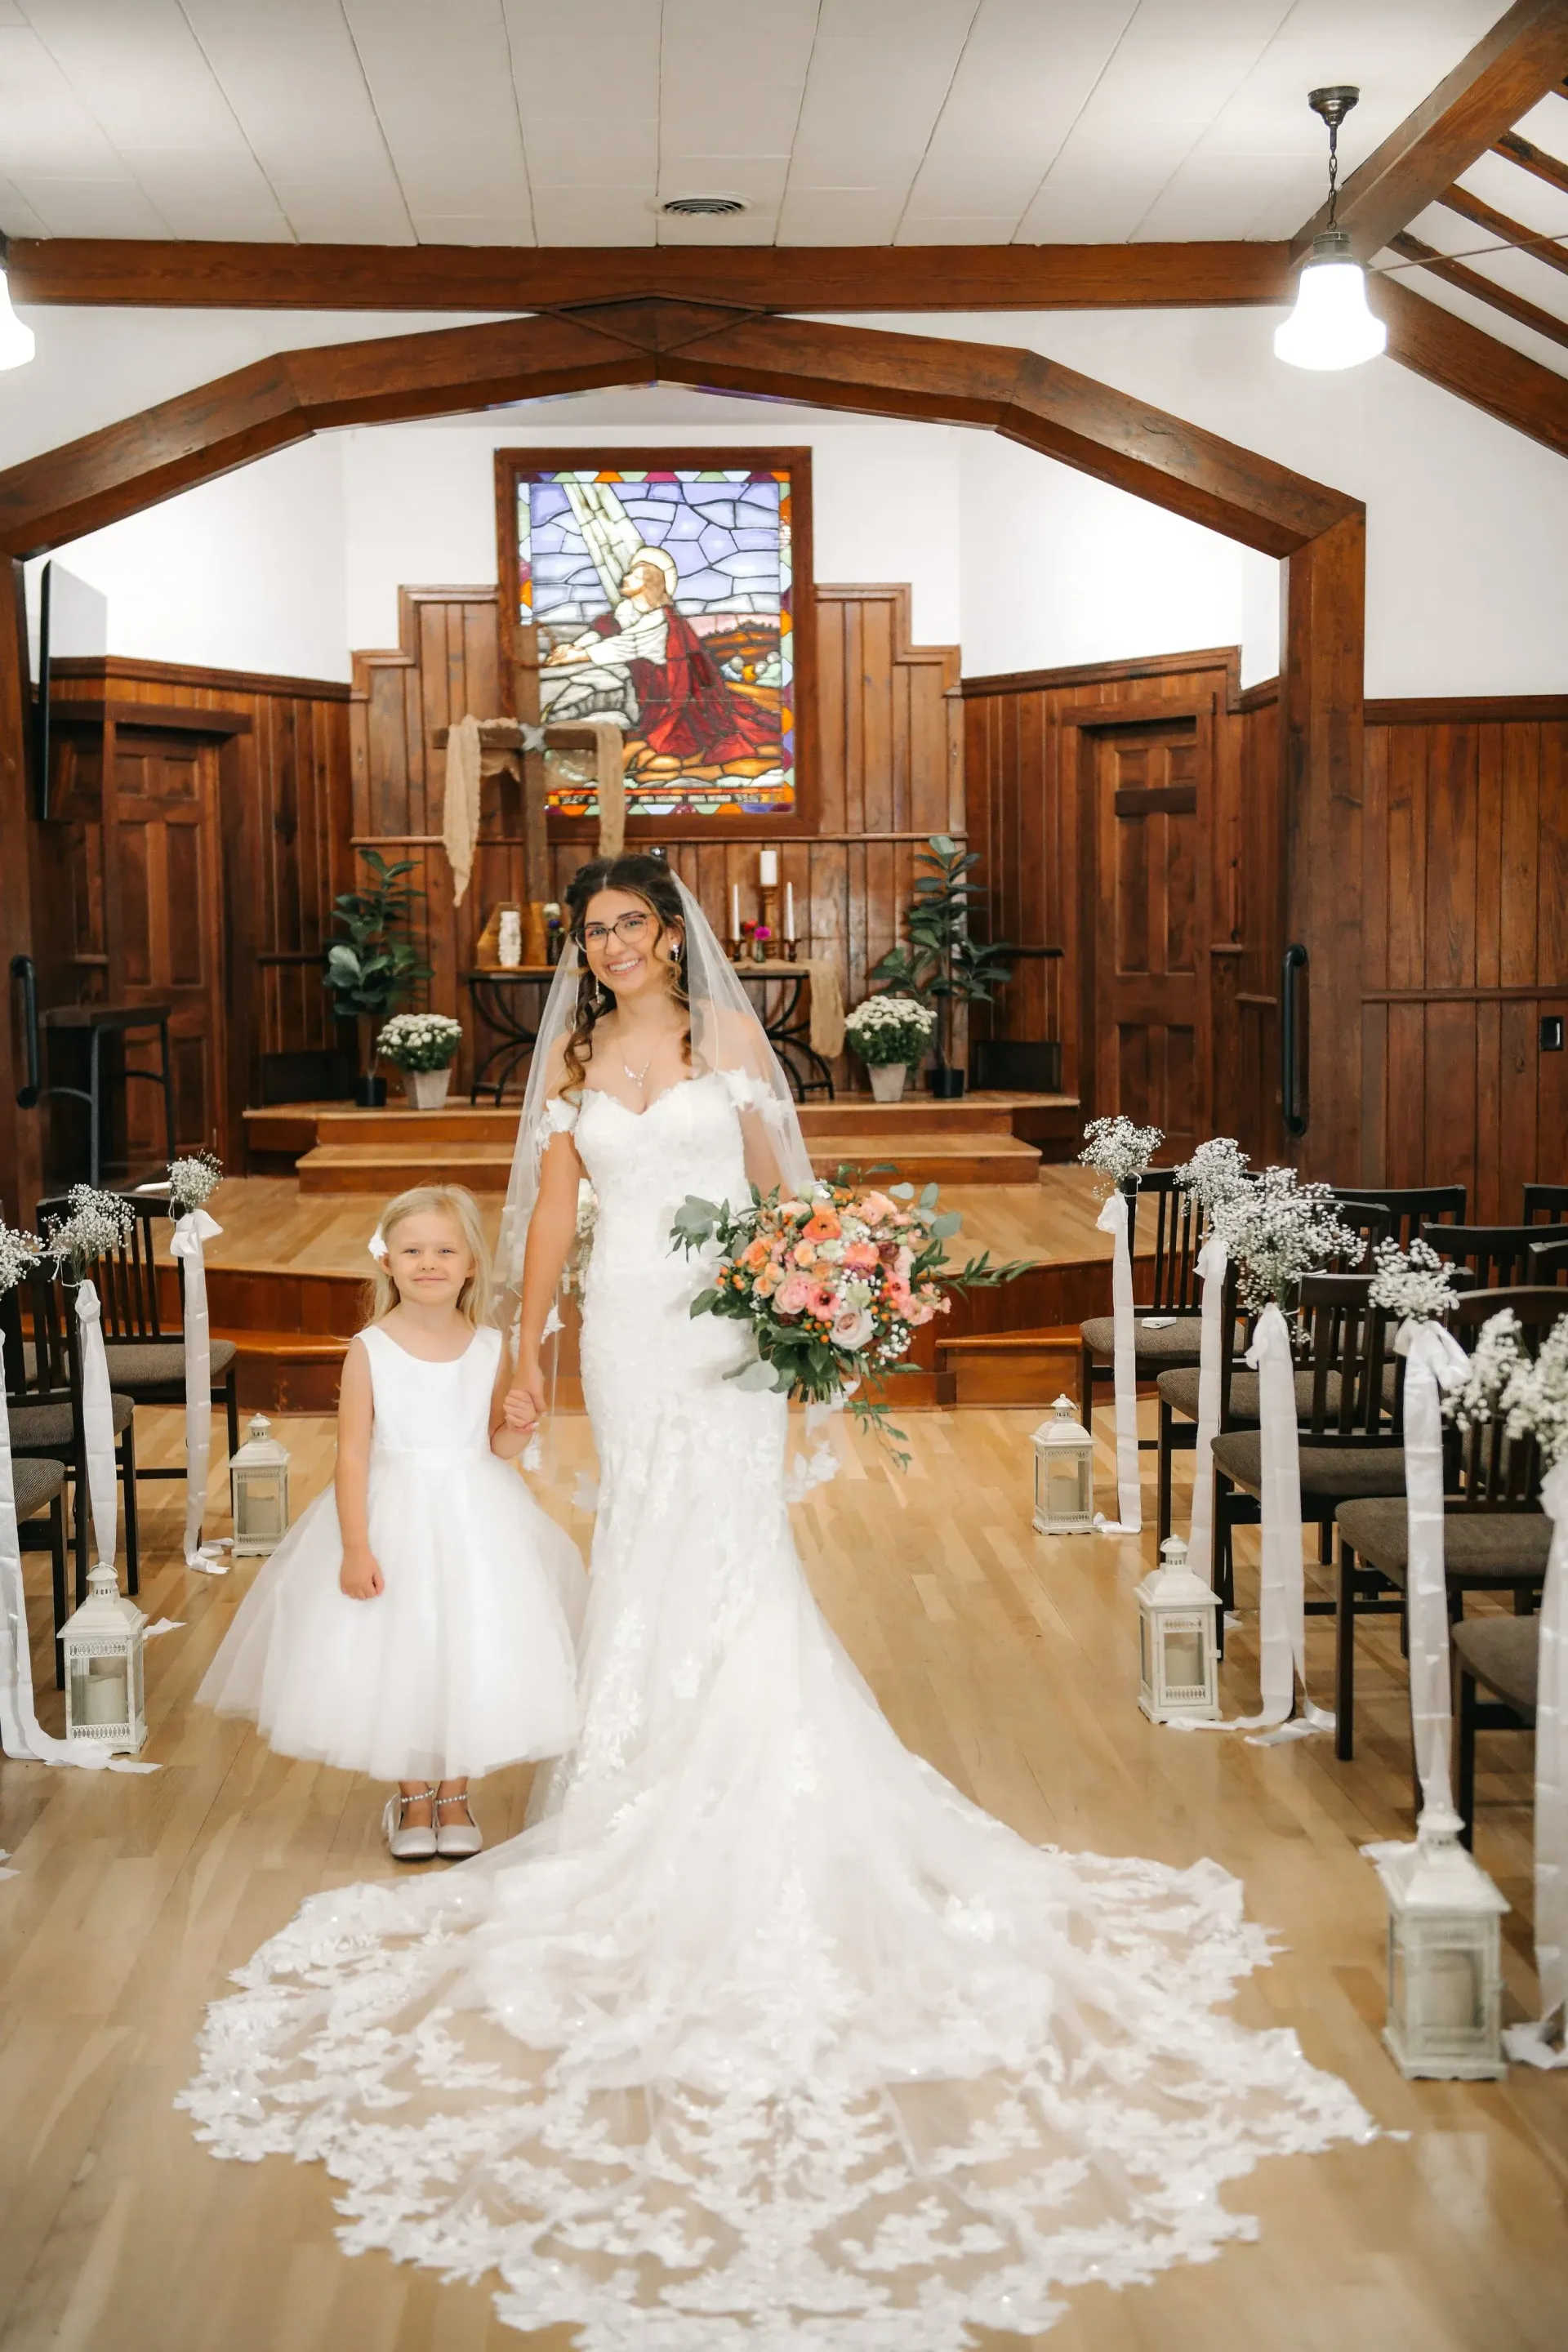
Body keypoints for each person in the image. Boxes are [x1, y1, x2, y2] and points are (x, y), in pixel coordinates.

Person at [183, 866, 1373, 2349]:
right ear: (583, 954)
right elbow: (552, 1224)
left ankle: (752, 1767)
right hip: (624, 1335)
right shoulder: (566, 1067)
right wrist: (525, 1348)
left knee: (733, 1546)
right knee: (641, 1544)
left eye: (632, 930)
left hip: (722, 1342)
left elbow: (778, 1204)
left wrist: (815, 1299)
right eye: (594, 936)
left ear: (671, 940)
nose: (614, 951)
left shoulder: (735, 1052)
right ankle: (629, 1774)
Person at [194, 1183, 583, 1862]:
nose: (427, 1263)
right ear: (387, 1261)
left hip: (476, 1518)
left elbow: (496, 1444)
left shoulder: (490, 1346)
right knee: (401, 1651)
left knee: (467, 1645)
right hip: (392, 1515)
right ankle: (411, 1792)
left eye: (443, 1250)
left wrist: (520, 1426)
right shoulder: (370, 1348)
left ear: (469, 1265)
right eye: (412, 1250)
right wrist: (354, 1546)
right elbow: (352, 1454)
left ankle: (455, 1793)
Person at [541, 544, 778, 773]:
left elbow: (623, 646)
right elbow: (603, 631)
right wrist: (572, 647)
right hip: (645, 691)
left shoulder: (659, 623)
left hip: (668, 699)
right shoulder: (627, 610)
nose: (626, 577)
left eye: (634, 575)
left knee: (666, 739)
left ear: (650, 584)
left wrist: (575, 657)